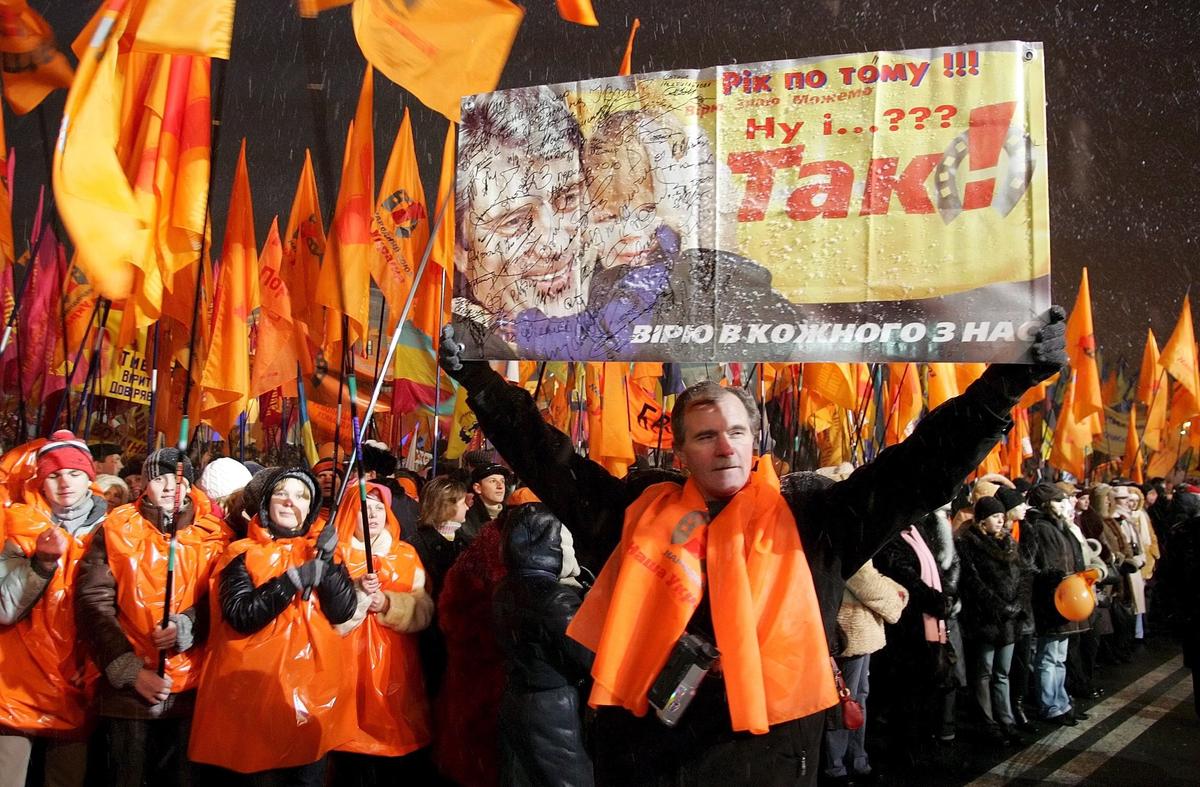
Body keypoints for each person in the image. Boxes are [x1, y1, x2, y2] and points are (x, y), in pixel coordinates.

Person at [438, 304, 1066, 786]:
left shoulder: (817, 517)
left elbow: (920, 467)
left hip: (765, 753)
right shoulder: (638, 513)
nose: (725, 446)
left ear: (755, 439)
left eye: (736, 430)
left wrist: (1006, 384)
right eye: (706, 435)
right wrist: (479, 380)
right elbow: (551, 462)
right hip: (649, 751)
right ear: (680, 449)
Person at [188, 467, 357, 783]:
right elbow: (241, 614)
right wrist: (293, 580)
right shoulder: (240, 554)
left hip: (312, 699)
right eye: (282, 493)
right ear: (266, 502)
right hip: (254, 703)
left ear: (309, 508)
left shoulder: (320, 549)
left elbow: (343, 611)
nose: (291, 501)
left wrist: (331, 566)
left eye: (301, 496)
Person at [75, 447, 232, 787]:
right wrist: (128, 669)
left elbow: (222, 599)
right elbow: (93, 601)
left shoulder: (216, 534)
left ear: (189, 486)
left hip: (191, 687)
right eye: (157, 479)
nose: (167, 487)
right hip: (127, 694)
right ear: (144, 485)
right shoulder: (114, 528)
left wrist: (188, 625)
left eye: (176, 479)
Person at [0, 431, 106, 787]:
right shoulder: (16, 526)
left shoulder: (116, 530)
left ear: (89, 478)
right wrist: (41, 563)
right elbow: (4, 608)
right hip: (16, 682)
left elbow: (118, 609)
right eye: (54, 475)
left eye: (74, 473)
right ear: (41, 481)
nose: (65, 483)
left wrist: (94, 664)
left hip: (77, 681)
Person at [330, 483, 436, 785]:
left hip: (394, 669)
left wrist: (390, 603)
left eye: (379, 508)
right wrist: (358, 596)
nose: (372, 515)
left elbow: (424, 608)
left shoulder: (405, 555)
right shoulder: (333, 555)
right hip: (345, 669)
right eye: (365, 508)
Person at [493, 504, 594, 787]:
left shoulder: (505, 586)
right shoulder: (556, 599)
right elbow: (592, 654)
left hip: (518, 696)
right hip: (555, 707)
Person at [822, 560, 907, 785]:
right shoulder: (849, 536)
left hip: (856, 632)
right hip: (849, 631)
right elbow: (864, 579)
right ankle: (838, 766)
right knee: (847, 699)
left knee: (855, 698)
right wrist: (896, 596)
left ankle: (853, 760)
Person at [956, 496, 1028, 745]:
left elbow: (1022, 576)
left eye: (1001, 516)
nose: (1001, 520)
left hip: (1008, 621)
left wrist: (1016, 605)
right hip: (985, 620)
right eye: (995, 516)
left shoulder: (1009, 543)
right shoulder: (968, 544)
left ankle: (1006, 720)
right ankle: (988, 723)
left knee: (1002, 672)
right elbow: (974, 583)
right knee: (984, 672)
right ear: (982, 519)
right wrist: (1000, 606)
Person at [1019, 483, 1092, 726]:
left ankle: (1061, 702)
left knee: (1059, 656)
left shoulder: (1059, 526)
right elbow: (1048, 566)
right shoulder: (1042, 527)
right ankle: (1051, 706)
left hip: (1065, 599)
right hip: (1053, 601)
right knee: (1049, 656)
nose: (1066, 505)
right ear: (1047, 504)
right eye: (1060, 501)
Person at [410, 475, 471, 599]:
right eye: (463, 502)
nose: (467, 507)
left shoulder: (468, 541)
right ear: (447, 505)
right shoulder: (415, 546)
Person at [463, 462, 514, 545]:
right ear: (478, 488)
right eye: (493, 481)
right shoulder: (466, 518)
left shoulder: (511, 516)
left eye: (502, 481)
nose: (500, 486)